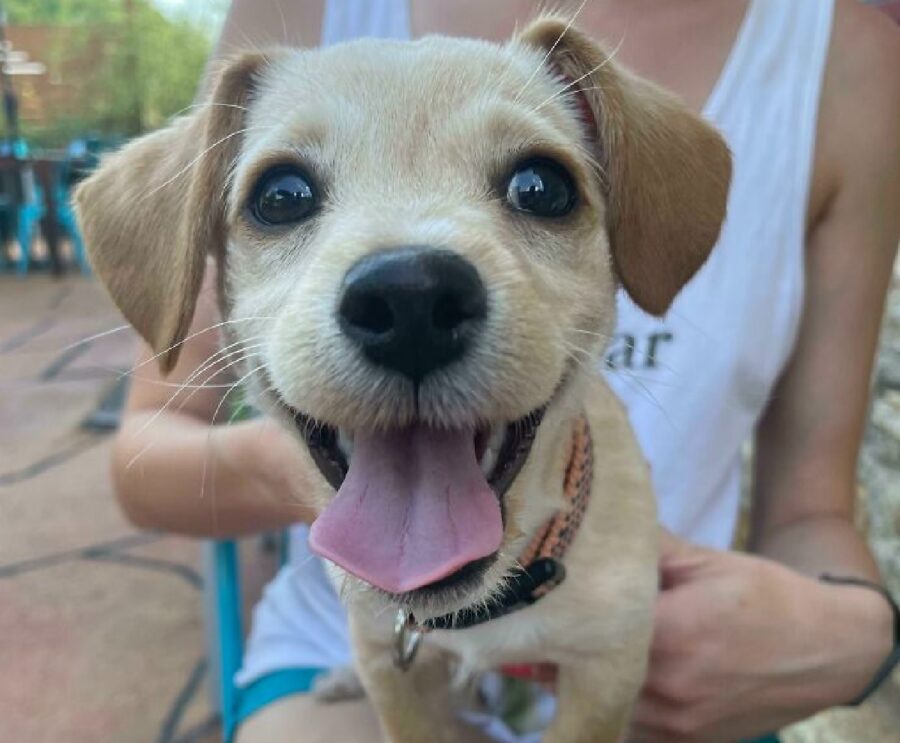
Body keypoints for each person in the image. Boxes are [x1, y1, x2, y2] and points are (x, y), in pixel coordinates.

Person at [110, 1, 900, 742]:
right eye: (285, 197)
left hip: (697, 664)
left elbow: (813, 509)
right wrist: (357, 501)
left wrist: (865, 635)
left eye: (536, 189)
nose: (409, 288)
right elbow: (145, 459)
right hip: (329, 639)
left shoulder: (846, 60)